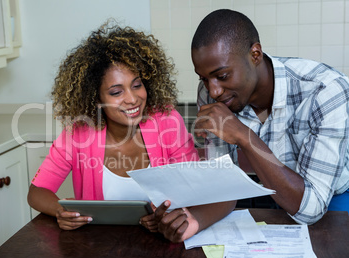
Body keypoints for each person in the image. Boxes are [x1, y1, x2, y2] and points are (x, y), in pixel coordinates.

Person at [28, 22, 236, 243]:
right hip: (95, 248)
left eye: (137, 85)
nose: (132, 98)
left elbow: (194, 188)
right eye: (116, 92)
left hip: (161, 247)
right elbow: (37, 192)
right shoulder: (79, 134)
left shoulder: (167, 122)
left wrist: (166, 217)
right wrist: (60, 211)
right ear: (96, 99)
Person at [192, 9, 349, 225]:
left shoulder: (326, 91)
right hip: (276, 191)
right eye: (204, 78)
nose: (214, 91)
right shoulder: (210, 94)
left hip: (335, 196)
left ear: (255, 54)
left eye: (222, 76)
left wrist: (243, 136)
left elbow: (310, 209)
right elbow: (221, 181)